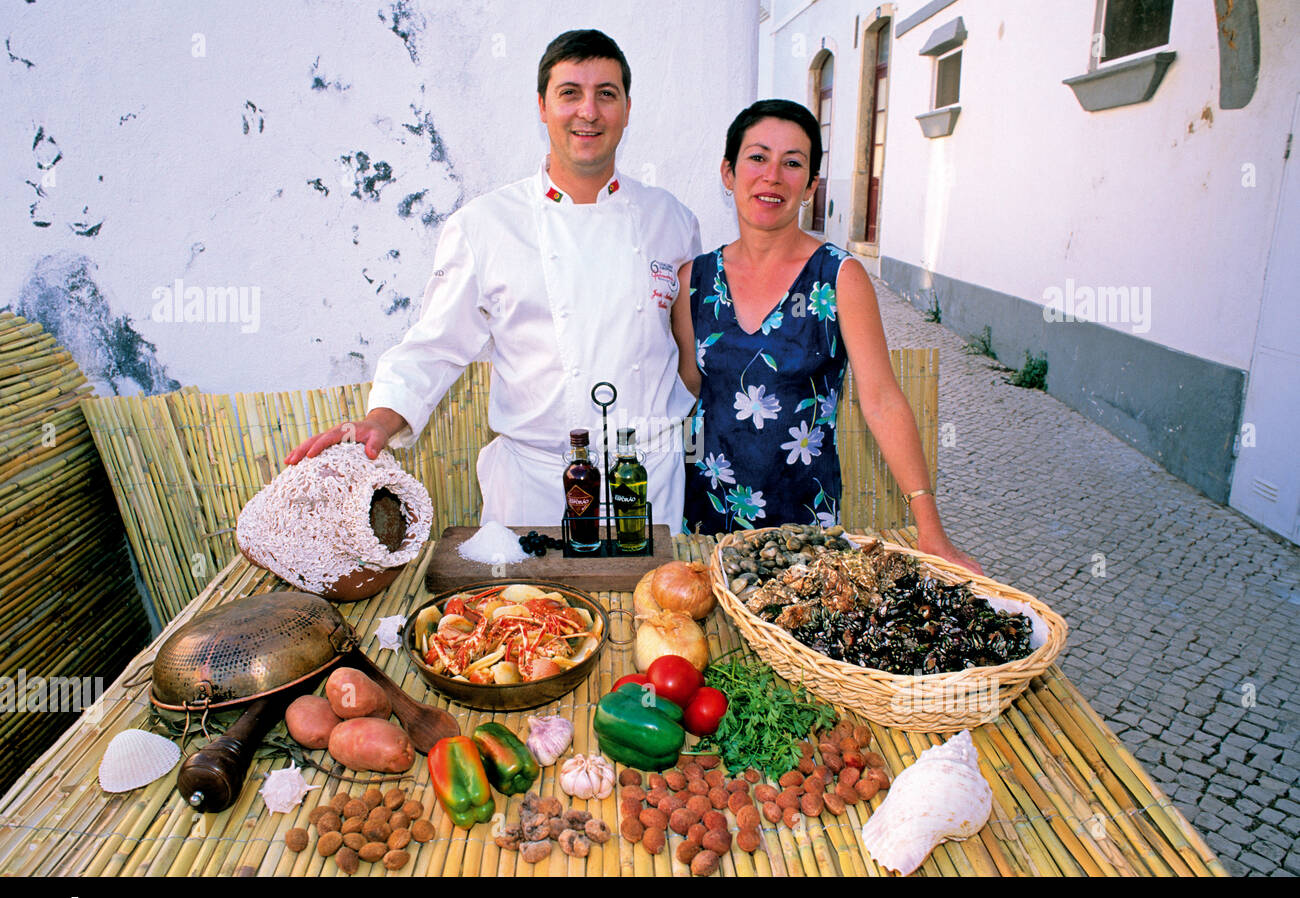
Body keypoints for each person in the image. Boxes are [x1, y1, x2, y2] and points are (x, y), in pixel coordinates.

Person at [287, 30, 700, 530]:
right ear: (543, 107)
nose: (588, 111)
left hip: (646, 483)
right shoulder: (485, 225)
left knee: (656, 610)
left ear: (627, 109)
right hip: (535, 487)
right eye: (569, 93)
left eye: (606, 94)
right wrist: (380, 419)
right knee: (526, 609)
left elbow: (690, 347)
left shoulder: (673, 220)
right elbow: (435, 345)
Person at [671, 99, 981, 574]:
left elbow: (881, 400)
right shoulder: (693, 280)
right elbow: (696, 385)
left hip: (805, 530)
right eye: (757, 157)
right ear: (728, 173)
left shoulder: (840, 278)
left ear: (811, 184)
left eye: (792, 163)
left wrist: (930, 527)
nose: (773, 175)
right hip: (709, 518)